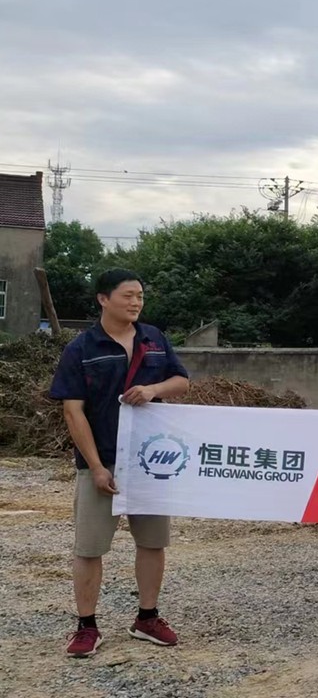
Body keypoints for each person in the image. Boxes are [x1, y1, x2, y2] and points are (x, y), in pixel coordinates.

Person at [49, 269, 191, 658]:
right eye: (127, 295)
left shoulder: (154, 339)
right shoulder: (81, 348)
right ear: (103, 299)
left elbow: (181, 381)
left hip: (151, 461)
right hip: (103, 461)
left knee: (152, 542)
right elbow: (73, 411)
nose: (135, 302)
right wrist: (96, 466)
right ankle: (86, 626)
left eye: (140, 296)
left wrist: (153, 389)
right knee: (90, 547)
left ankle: (147, 618)